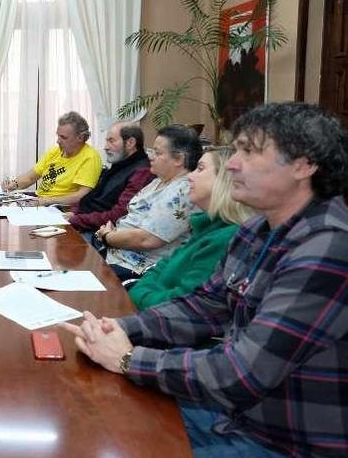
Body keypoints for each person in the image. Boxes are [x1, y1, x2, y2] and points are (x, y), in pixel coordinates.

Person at [61, 102, 348, 457]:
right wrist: (121, 327)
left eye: (249, 151)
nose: (231, 163)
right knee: (88, 418)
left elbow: (243, 372)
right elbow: (204, 306)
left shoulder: (329, 247)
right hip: (233, 415)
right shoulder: (258, 228)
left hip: (281, 440)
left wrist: (128, 359)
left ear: (304, 165)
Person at [127, 145, 253, 310]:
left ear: (225, 180)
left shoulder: (226, 238)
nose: (190, 177)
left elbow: (182, 303)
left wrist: (140, 293)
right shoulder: (205, 227)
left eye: (199, 169)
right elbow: (160, 268)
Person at [94, 125, 202, 281]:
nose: (151, 156)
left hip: (134, 268)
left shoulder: (182, 191)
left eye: (157, 153)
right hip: (113, 254)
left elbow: (146, 239)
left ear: (178, 159)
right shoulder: (158, 181)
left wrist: (107, 236)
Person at [64, 122, 154, 233]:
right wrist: (73, 212)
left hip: (100, 233)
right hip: (81, 222)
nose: (106, 147)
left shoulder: (142, 172)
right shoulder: (120, 164)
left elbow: (119, 215)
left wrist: (76, 220)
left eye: (111, 141)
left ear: (130, 143)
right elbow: (91, 195)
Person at [1, 111, 102, 206]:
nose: (58, 141)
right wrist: (13, 185)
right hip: (40, 201)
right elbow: (30, 178)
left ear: (80, 138)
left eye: (63, 137)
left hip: (59, 208)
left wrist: (46, 201)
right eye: (58, 136)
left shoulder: (90, 157)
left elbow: (81, 196)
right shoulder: (55, 151)